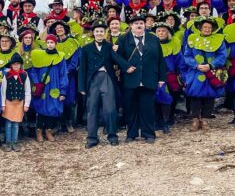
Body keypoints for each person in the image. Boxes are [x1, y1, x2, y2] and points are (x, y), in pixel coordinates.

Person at [114, 15, 167, 143]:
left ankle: (148, 133)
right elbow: (115, 56)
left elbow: (160, 59)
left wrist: (161, 78)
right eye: (136, 23)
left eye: (141, 23)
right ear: (131, 26)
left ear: (145, 25)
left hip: (149, 78)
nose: (139, 25)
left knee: (147, 108)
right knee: (130, 108)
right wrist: (126, 66)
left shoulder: (153, 39)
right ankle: (131, 134)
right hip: (130, 79)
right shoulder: (123, 39)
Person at [78, 19, 124, 148]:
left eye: (101, 31)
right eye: (97, 31)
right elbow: (82, 68)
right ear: (93, 33)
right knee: (91, 110)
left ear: (105, 33)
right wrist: (81, 86)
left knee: (110, 109)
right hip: (92, 80)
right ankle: (92, 138)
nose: (99, 33)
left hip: (107, 78)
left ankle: (112, 136)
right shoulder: (86, 48)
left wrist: (126, 64)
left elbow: (118, 60)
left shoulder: (109, 46)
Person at [183, 17, 227, 131]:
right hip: (195, 72)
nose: (207, 29)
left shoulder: (218, 40)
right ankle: (195, 119)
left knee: (209, 95)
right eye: (205, 27)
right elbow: (187, 55)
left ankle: (206, 119)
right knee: (195, 95)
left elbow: (222, 55)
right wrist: (196, 65)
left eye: (209, 27)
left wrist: (211, 65)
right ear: (200, 28)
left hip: (211, 71)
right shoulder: (192, 39)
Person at [29, 34, 68, 143]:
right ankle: (39, 131)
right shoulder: (39, 55)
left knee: (53, 108)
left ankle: (49, 130)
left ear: (55, 44)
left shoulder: (60, 57)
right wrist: (36, 84)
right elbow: (34, 71)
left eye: (52, 43)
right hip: (42, 86)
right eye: (48, 43)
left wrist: (63, 91)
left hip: (54, 86)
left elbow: (63, 74)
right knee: (41, 108)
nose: (50, 45)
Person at [152, 21, 182, 134]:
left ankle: (167, 120)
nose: (161, 33)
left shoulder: (174, 44)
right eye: (158, 31)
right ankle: (157, 120)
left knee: (169, 98)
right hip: (155, 75)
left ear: (168, 32)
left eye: (163, 31)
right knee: (155, 99)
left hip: (170, 75)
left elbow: (180, 61)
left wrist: (182, 75)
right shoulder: (151, 44)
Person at [50, 20, 80, 133]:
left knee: (69, 99)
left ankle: (68, 122)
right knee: (56, 97)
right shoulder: (52, 43)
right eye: (57, 28)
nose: (59, 29)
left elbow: (75, 61)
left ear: (65, 29)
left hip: (69, 75)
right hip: (55, 75)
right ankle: (57, 123)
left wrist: (65, 72)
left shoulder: (73, 42)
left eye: (61, 27)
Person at [1, 53, 32, 151]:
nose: (16, 66)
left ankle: (15, 142)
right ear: (11, 65)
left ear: (20, 65)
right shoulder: (6, 76)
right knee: (9, 123)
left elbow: (28, 91)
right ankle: (8, 143)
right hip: (9, 102)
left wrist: (26, 104)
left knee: (16, 123)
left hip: (19, 102)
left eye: (18, 64)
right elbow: (3, 91)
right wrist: (3, 104)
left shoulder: (24, 75)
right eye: (14, 64)